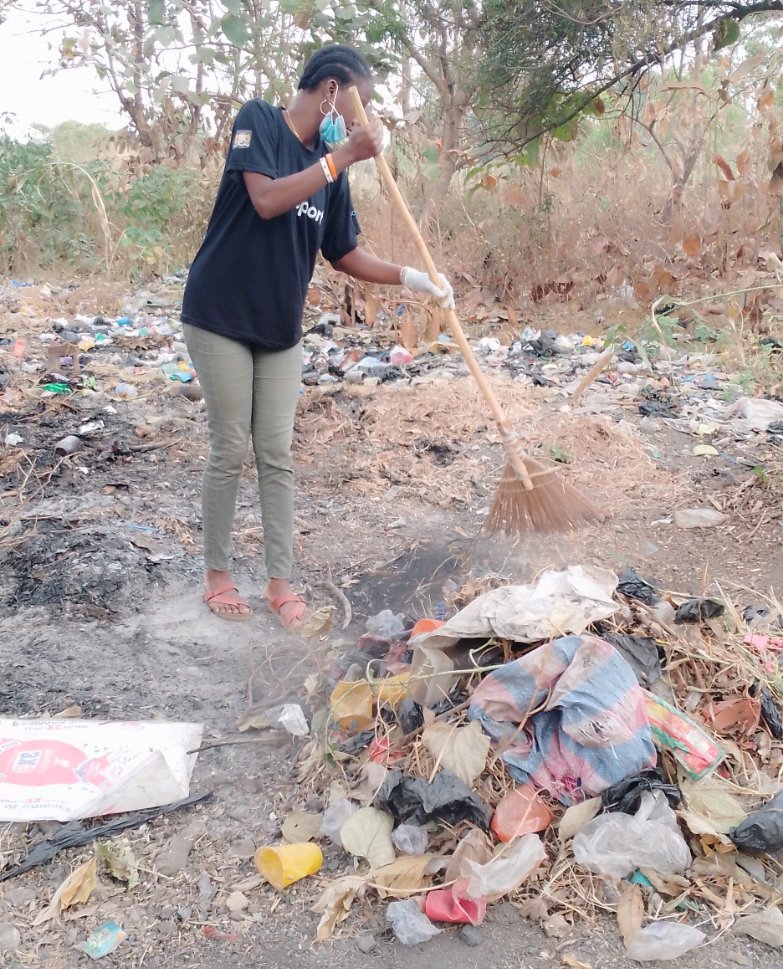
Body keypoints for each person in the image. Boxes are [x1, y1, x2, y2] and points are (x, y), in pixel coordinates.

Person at [181, 43, 453, 630]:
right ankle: (218, 574)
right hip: (220, 314)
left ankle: (281, 582)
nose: (362, 122)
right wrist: (343, 156)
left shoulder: (334, 170)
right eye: (361, 106)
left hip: (279, 327)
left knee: (276, 452)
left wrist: (414, 278)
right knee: (232, 446)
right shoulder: (260, 122)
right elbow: (266, 200)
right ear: (333, 90)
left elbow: (345, 253)